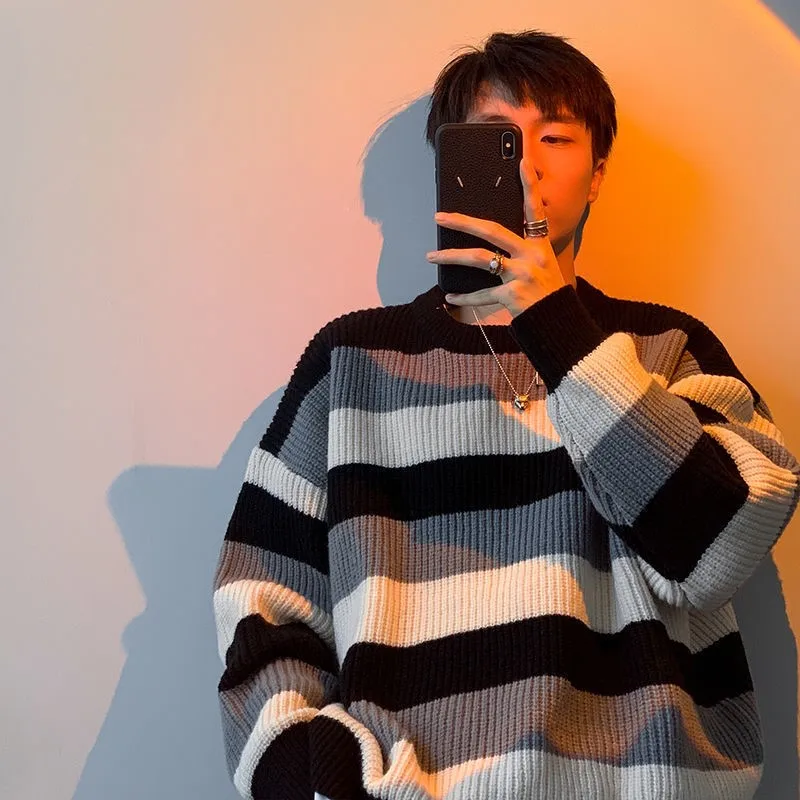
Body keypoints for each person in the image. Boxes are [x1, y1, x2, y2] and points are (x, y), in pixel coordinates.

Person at [212, 29, 800, 800]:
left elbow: (718, 550)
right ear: (449, 169)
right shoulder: (352, 364)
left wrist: (554, 324)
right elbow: (261, 602)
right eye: (496, 142)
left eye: (554, 138)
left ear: (597, 173)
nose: (525, 167)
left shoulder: (668, 349)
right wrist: (320, 777)